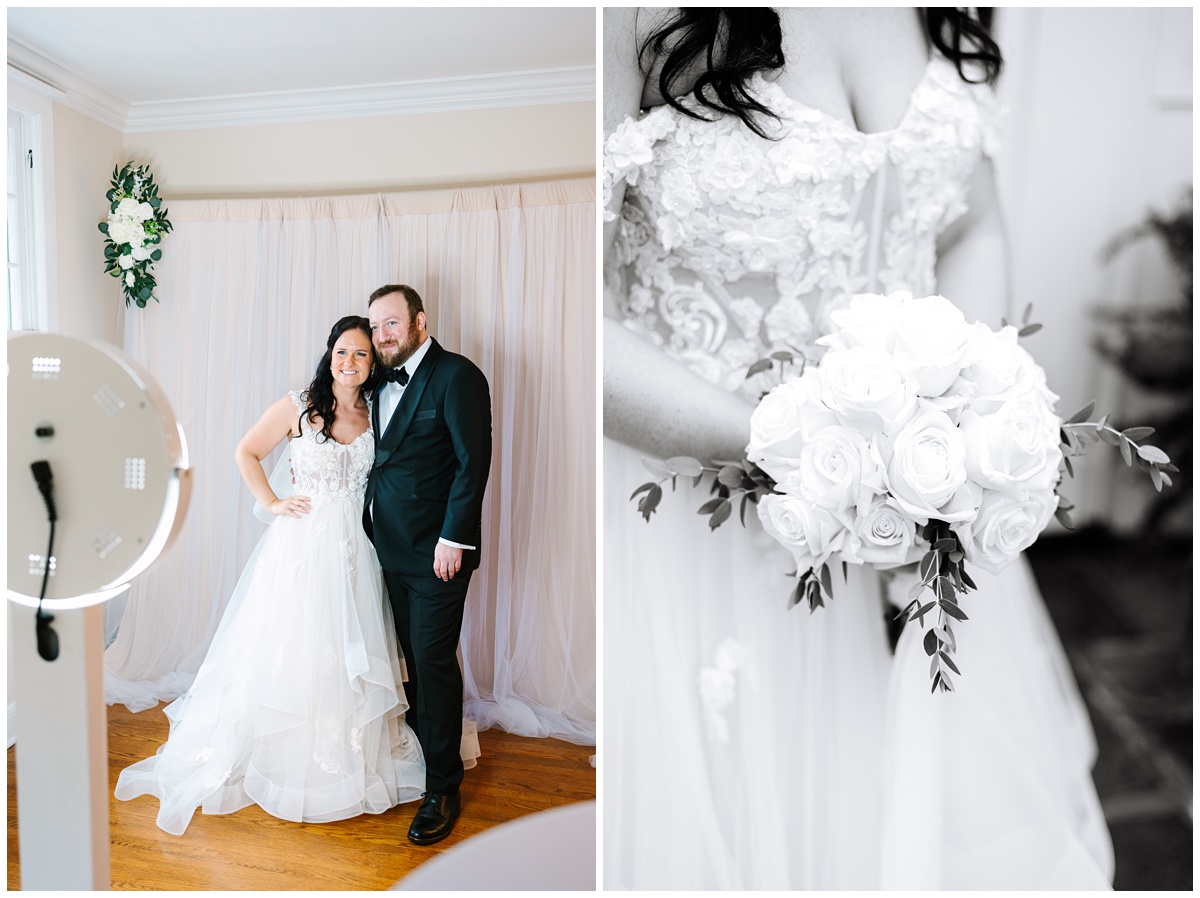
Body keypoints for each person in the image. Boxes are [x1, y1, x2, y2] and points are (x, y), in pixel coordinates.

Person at [603, 8, 1114, 889]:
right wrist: (797, 446)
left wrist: (955, 418)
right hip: (698, 535)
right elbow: (577, 321)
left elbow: (969, 225)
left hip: (922, 510)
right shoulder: (627, 19)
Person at [115, 316, 426, 835]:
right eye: (342, 352)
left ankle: (350, 759)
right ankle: (282, 758)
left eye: (362, 355)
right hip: (303, 546)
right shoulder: (298, 406)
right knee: (295, 647)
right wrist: (273, 501)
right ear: (329, 354)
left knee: (350, 648)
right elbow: (246, 451)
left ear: (373, 363)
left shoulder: (376, 410)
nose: (349, 363)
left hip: (360, 550)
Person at [364, 284, 492, 845]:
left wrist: (454, 538)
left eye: (391, 323)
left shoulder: (457, 375)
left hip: (439, 554)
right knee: (411, 659)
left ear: (419, 321)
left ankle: (444, 786)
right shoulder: (372, 380)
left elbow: (473, 464)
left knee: (435, 661)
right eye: (375, 327)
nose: (382, 335)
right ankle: (422, 753)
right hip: (386, 550)